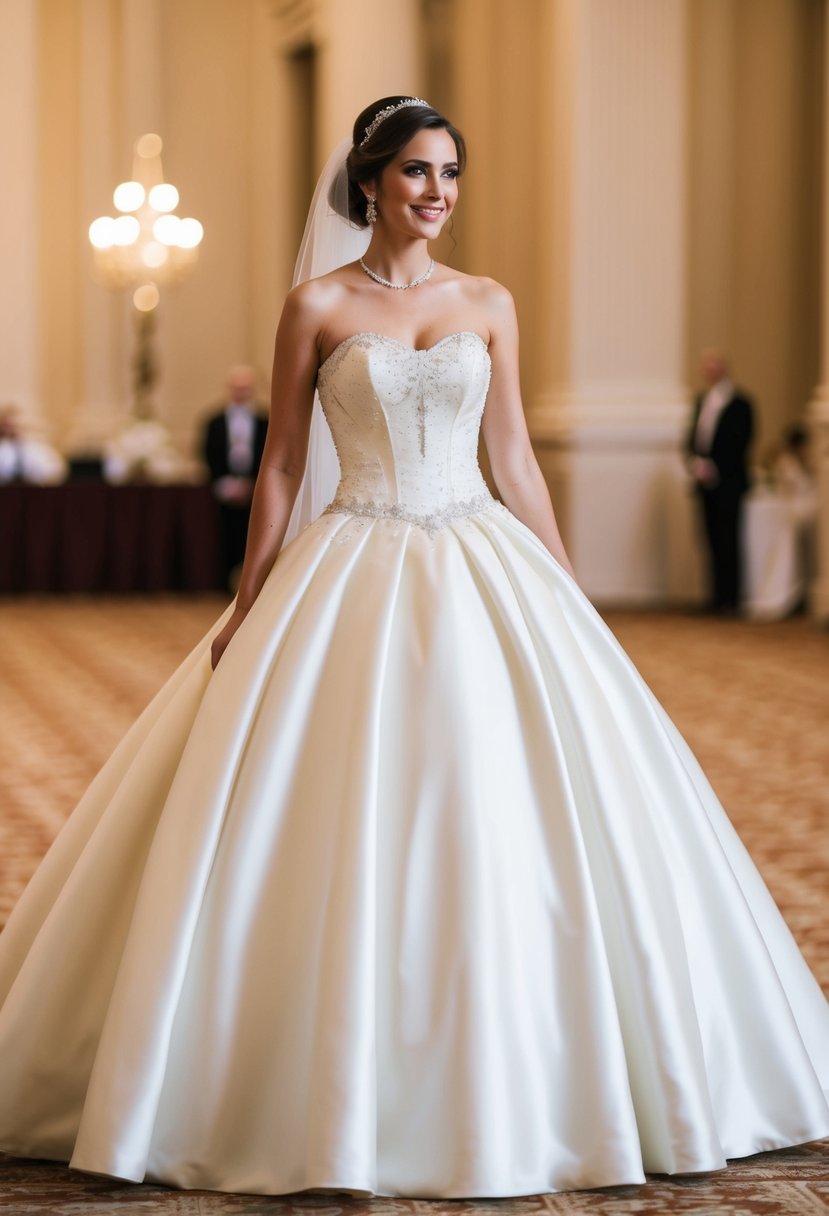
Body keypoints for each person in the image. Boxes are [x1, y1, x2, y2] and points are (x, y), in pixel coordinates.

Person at [0, 97, 826, 1200]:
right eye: (417, 173)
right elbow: (286, 466)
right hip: (352, 558)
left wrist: (567, 589)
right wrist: (250, 601)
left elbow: (518, 458)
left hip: (479, 550)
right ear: (371, 183)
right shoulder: (317, 305)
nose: (437, 192)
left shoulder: (487, 301)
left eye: (449, 174)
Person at [686, 352, 754, 615]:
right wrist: (695, 462)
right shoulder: (702, 400)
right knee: (709, 538)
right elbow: (693, 437)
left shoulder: (741, 403)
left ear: (724, 370)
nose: (710, 372)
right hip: (703, 481)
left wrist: (715, 466)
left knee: (729, 538)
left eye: (714, 367)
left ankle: (731, 598)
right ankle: (714, 597)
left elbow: (741, 441)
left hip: (729, 482)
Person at [202, 365, 269, 590]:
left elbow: (268, 454)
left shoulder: (264, 420)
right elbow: (207, 454)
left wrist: (251, 483)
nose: (241, 392)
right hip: (223, 490)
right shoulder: (214, 421)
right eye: (237, 387)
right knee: (224, 538)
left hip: (255, 489)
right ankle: (223, 584)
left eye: (246, 388)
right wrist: (224, 483)